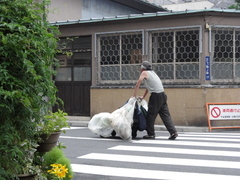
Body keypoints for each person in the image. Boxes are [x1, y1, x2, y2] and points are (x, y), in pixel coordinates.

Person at [133, 61, 178, 140]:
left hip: (156, 96)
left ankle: (151, 134)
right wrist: (143, 96)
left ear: (143, 68)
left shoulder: (144, 73)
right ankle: (173, 132)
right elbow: (149, 87)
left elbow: (138, 83)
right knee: (165, 115)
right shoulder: (153, 73)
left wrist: (134, 95)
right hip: (162, 95)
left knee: (150, 115)